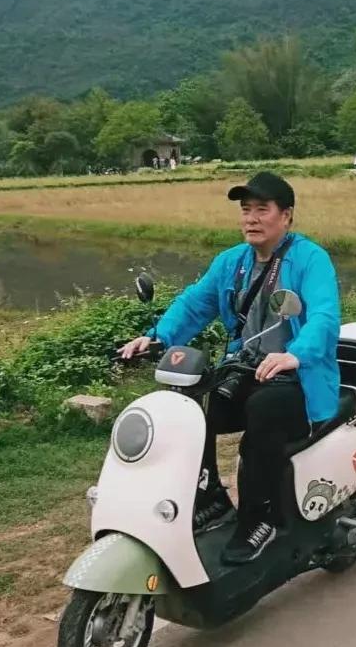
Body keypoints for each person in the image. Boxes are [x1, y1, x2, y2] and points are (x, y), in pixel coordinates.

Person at [118, 172, 341, 565]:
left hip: (297, 377)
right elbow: (194, 304)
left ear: (286, 216)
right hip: (246, 369)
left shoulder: (310, 259)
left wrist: (296, 354)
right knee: (193, 410)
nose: (251, 219)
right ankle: (211, 500)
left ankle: (259, 518)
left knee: (262, 411)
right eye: (245, 210)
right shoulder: (231, 262)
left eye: (262, 210)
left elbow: (324, 315)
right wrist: (156, 337)